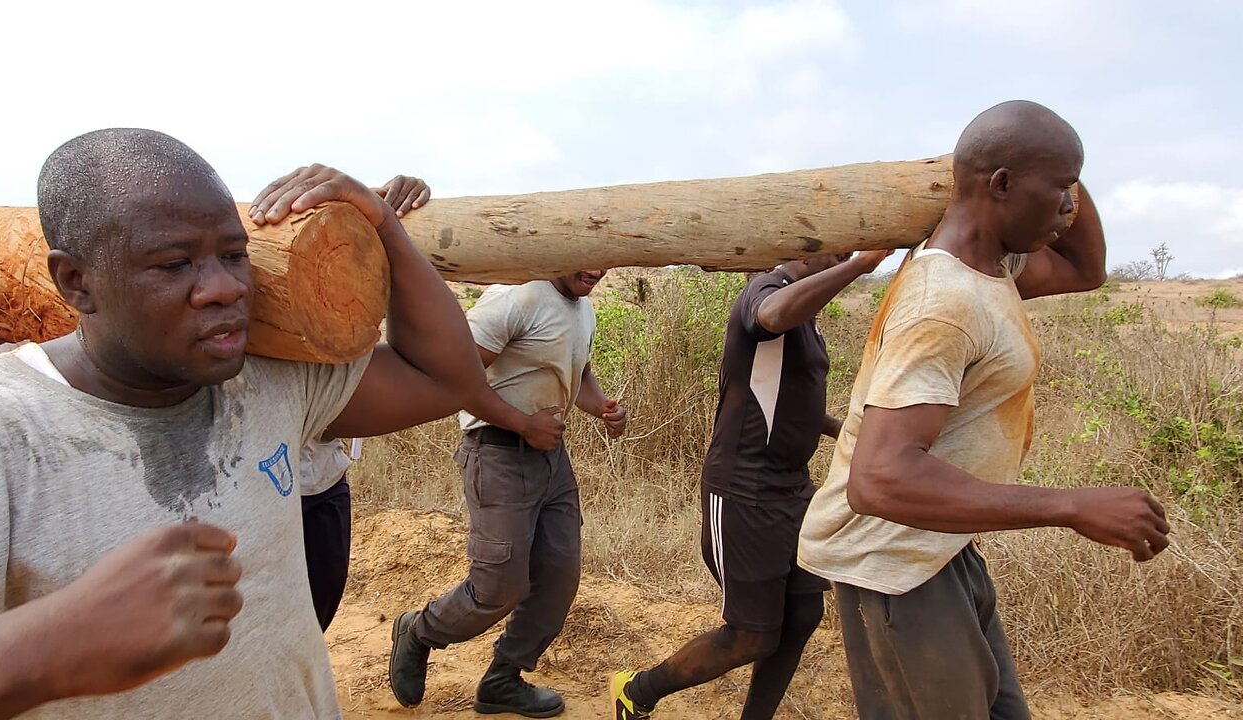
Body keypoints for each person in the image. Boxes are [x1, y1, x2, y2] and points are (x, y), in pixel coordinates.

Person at [0, 129, 492, 718]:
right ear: (75, 282)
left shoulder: (263, 382)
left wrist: (383, 225)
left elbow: (446, 379)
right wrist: (56, 644)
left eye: (234, 254)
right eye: (173, 263)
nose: (225, 288)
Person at [795, 100, 1171, 719]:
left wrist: (1058, 166)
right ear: (999, 185)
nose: (1070, 208)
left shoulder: (992, 270)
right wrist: (1072, 505)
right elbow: (879, 479)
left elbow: (1085, 268)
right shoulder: (942, 302)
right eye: (1060, 190)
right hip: (893, 562)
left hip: (938, 546)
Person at [609, 249, 891, 720]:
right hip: (743, 489)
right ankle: (637, 690)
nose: (845, 250)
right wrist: (861, 265)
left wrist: (844, 431)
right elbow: (769, 316)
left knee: (803, 615)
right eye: (837, 245)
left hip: (791, 487)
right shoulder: (767, 289)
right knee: (751, 634)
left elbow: (785, 398)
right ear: (801, 247)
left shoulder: (809, 317)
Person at [389, 269, 628, 718]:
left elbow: (579, 372)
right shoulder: (515, 300)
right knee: (498, 587)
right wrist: (522, 423)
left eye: (605, 261)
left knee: (559, 575)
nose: (596, 271)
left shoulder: (584, 310)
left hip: (550, 459)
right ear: (559, 246)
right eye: (587, 257)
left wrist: (602, 408)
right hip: (497, 455)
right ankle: (420, 631)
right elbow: (454, 379)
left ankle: (503, 678)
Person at [299, 174, 433, 633]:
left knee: (317, 613)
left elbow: (436, 371)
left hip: (324, 483)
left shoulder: (346, 347)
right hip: (270, 494)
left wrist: (388, 217)